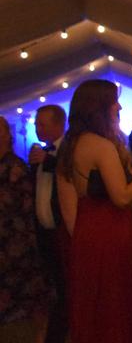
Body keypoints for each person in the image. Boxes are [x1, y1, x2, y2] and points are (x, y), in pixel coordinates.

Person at [56, 80, 132, 343]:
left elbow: (68, 209)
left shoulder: (70, 146)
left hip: (86, 232)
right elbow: (123, 197)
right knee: (118, 302)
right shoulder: (101, 146)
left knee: (95, 305)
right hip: (112, 232)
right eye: (115, 102)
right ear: (100, 107)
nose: (119, 106)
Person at [1, 115, 51, 335]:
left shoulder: (15, 167)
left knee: (32, 299)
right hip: (8, 241)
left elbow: (26, 208)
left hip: (17, 243)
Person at [30, 104, 69, 343]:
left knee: (65, 288)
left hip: (63, 231)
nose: (37, 128)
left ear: (58, 124)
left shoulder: (68, 150)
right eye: (36, 123)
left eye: (42, 123)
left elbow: (71, 173)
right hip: (45, 232)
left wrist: (48, 160)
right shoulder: (42, 151)